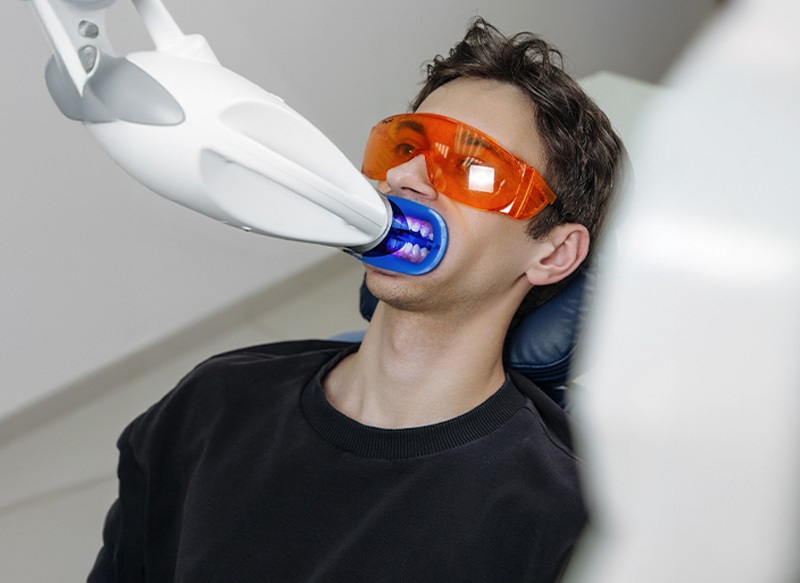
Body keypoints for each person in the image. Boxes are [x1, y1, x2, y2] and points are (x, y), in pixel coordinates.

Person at [89, 18, 622, 583]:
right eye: (406, 146)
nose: (406, 176)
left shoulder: (570, 523)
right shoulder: (210, 403)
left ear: (553, 254)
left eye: (470, 165)